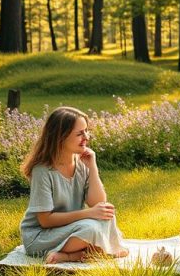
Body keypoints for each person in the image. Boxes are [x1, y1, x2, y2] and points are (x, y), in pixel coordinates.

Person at [20, 106, 128, 264]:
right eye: (79, 133)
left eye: (86, 131)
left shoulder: (82, 163)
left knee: (106, 213)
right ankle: (78, 255)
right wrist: (88, 213)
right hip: (41, 237)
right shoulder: (42, 171)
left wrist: (92, 167)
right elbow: (45, 220)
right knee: (91, 228)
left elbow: (97, 203)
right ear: (60, 138)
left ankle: (79, 254)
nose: (87, 137)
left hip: (69, 227)